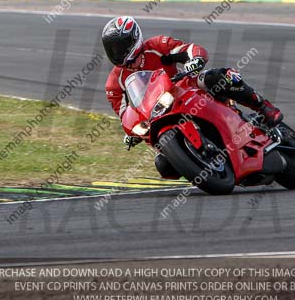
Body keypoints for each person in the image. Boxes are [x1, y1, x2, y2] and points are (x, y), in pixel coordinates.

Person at [101, 16, 282, 178]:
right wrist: (132, 132)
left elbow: (189, 49)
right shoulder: (114, 83)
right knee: (164, 166)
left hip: (183, 88)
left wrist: (194, 59)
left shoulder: (156, 46)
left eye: (121, 46)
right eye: (112, 48)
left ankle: (263, 107)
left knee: (215, 78)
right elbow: (124, 114)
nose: (117, 52)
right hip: (156, 113)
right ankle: (201, 161)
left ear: (134, 39)